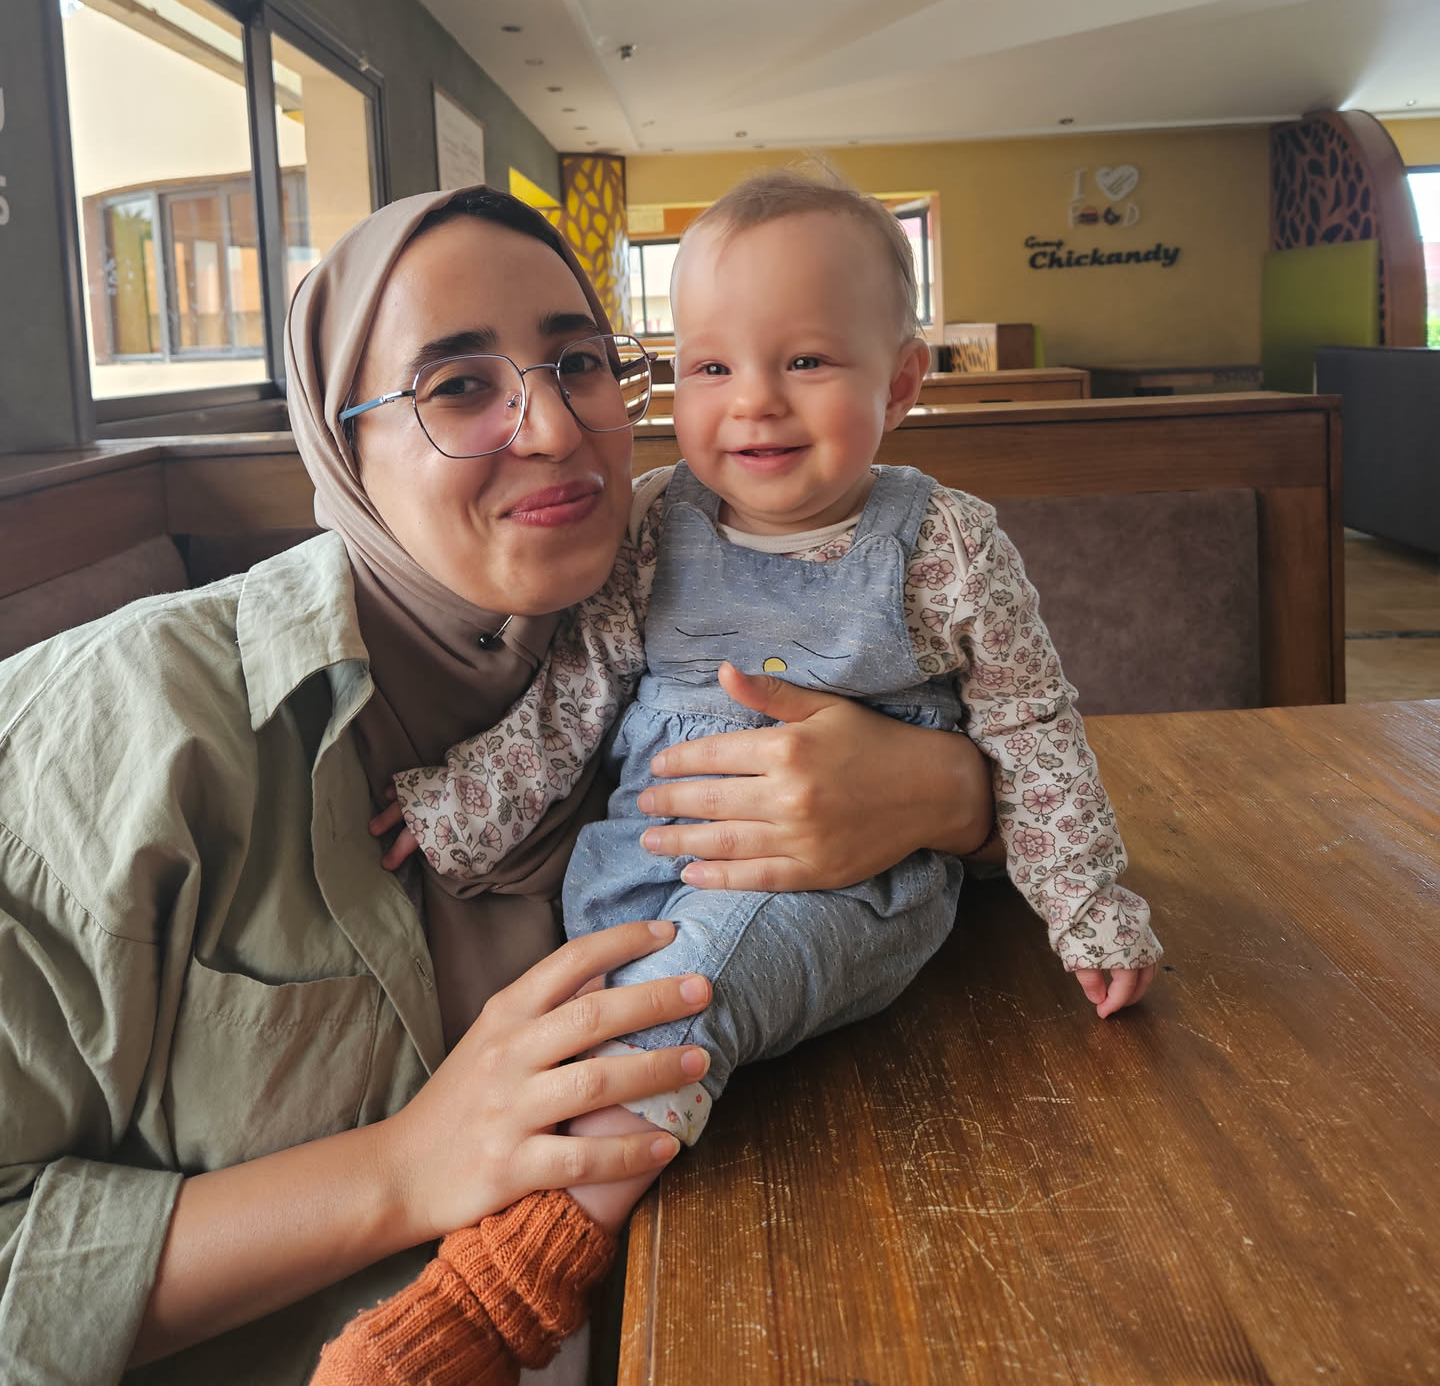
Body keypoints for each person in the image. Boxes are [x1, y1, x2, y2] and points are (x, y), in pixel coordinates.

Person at [0, 185, 996, 1385]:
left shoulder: (666, 623)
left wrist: (947, 796)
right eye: (459, 386)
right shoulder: (123, 722)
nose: (555, 427)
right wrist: (399, 1169)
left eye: (580, 363)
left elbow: (1010, 830)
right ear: (342, 445)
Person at [333, 168, 1159, 1380]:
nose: (756, 402)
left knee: (684, 992)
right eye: (711, 367)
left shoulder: (944, 544)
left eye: (807, 361)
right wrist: (462, 804)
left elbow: (1034, 730)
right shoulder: (653, 524)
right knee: (605, 1004)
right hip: (643, 863)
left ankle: (502, 1290)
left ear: (903, 382)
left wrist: (1088, 905)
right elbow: (575, 696)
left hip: (843, 891)